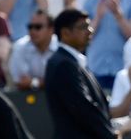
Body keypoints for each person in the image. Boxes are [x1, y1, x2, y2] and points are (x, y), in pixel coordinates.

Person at [44, 9, 117, 138]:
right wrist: (110, 135)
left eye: (89, 26)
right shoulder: (64, 65)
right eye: (83, 27)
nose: (90, 31)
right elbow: (84, 109)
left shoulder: (72, 62)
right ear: (65, 33)